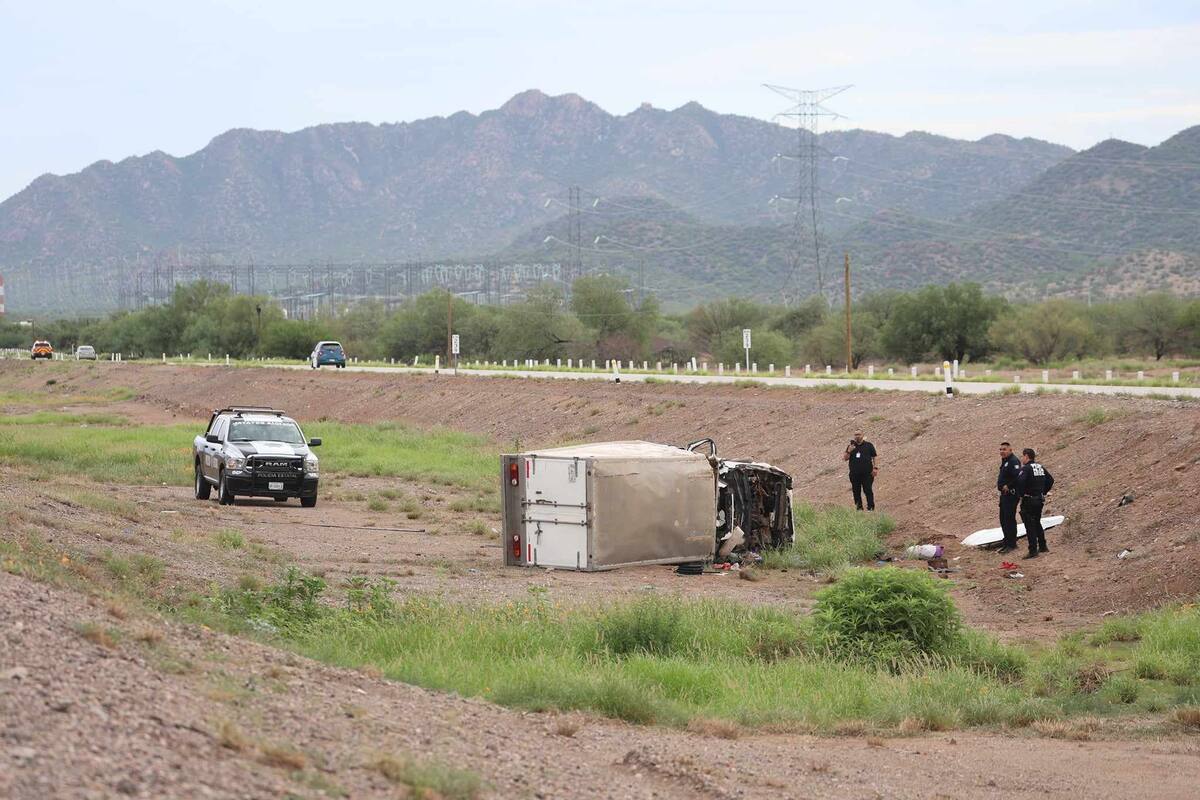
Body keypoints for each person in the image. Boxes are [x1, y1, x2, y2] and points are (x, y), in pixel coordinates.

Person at [1016, 447, 1054, 559]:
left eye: (1023, 456)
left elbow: (1020, 482)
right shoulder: (1040, 467)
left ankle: (1033, 550)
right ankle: (1043, 546)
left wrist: (1021, 494)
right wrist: (1043, 492)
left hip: (1029, 500)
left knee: (1029, 525)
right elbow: (1050, 480)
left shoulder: (1026, 468)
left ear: (1026, 456)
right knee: (1037, 522)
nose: (1022, 459)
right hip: (1039, 499)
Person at [843, 430, 878, 511]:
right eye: (855, 435)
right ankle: (859, 509)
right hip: (854, 474)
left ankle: (871, 508)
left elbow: (874, 456)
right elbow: (845, 458)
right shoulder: (851, 446)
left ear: (862, 435)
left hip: (867, 473)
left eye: (859, 434)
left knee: (868, 490)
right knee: (856, 491)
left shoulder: (868, 445)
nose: (857, 436)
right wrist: (849, 451)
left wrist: (875, 468)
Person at [997, 441, 1022, 554]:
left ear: (1010, 450)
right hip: (1004, 495)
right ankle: (1007, 541)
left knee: (1009, 519)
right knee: (1003, 519)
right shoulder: (1005, 461)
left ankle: (1012, 544)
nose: (1002, 451)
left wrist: (1009, 486)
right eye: (1001, 449)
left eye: (1004, 449)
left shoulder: (1013, 461)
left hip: (1011, 495)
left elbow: (1018, 476)